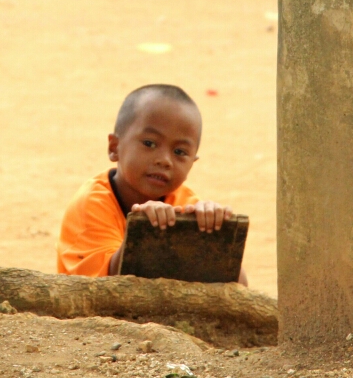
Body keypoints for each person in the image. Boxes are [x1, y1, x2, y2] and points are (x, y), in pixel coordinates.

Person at [56, 84, 247, 284]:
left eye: (180, 152)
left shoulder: (185, 204)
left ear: (192, 163)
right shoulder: (92, 205)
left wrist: (214, 239)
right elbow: (103, 288)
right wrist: (146, 231)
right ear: (114, 147)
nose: (164, 160)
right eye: (149, 143)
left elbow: (239, 287)